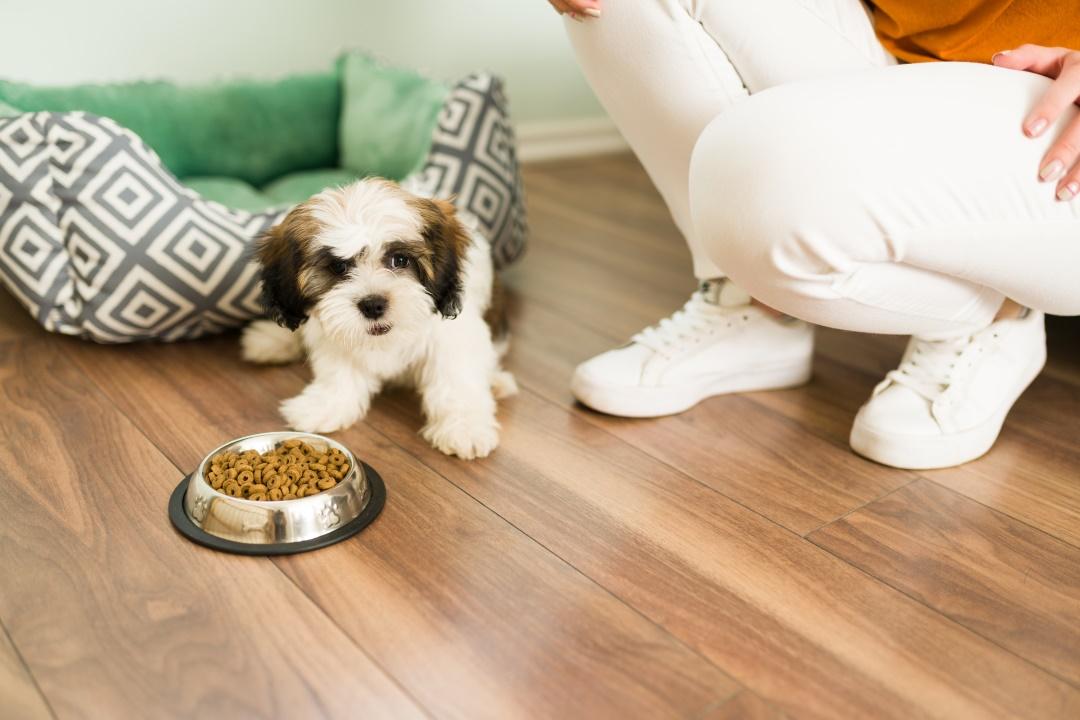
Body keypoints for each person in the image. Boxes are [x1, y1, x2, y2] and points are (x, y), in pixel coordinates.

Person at [546, 0, 1080, 469]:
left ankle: (995, 314)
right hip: (906, 60)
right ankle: (754, 308)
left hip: (1056, 104)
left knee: (762, 169)